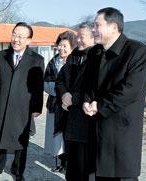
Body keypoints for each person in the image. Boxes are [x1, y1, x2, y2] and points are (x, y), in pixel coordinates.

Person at [82, 7, 146, 181]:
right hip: (95, 127)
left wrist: (100, 106)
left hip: (121, 130)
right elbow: (87, 84)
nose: (93, 30)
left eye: (97, 25)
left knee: (121, 175)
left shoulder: (137, 51)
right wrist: (86, 102)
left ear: (114, 27)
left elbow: (130, 89)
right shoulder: (93, 53)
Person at [0, 22, 44, 181]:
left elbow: (38, 87)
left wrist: (37, 107)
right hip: (3, 104)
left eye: (21, 36)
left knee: (21, 141)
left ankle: (18, 171)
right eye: (14, 34)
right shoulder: (0, 56)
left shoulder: (36, 59)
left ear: (29, 40)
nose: (16, 39)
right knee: (0, 138)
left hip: (23, 107)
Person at [55, 22, 95, 181]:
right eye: (77, 36)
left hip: (86, 120)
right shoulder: (72, 57)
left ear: (93, 37)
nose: (77, 40)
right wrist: (64, 94)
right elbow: (60, 79)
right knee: (71, 163)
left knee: (86, 165)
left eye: (81, 37)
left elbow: (94, 86)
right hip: (69, 118)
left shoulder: (97, 57)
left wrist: (73, 98)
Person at [43, 31, 76, 172]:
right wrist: (61, 91)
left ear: (72, 47)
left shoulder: (76, 61)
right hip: (55, 104)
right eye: (59, 45)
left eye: (65, 46)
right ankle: (61, 162)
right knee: (57, 135)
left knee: (71, 136)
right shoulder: (53, 62)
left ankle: (71, 164)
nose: (61, 49)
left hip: (72, 106)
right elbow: (46, 81)